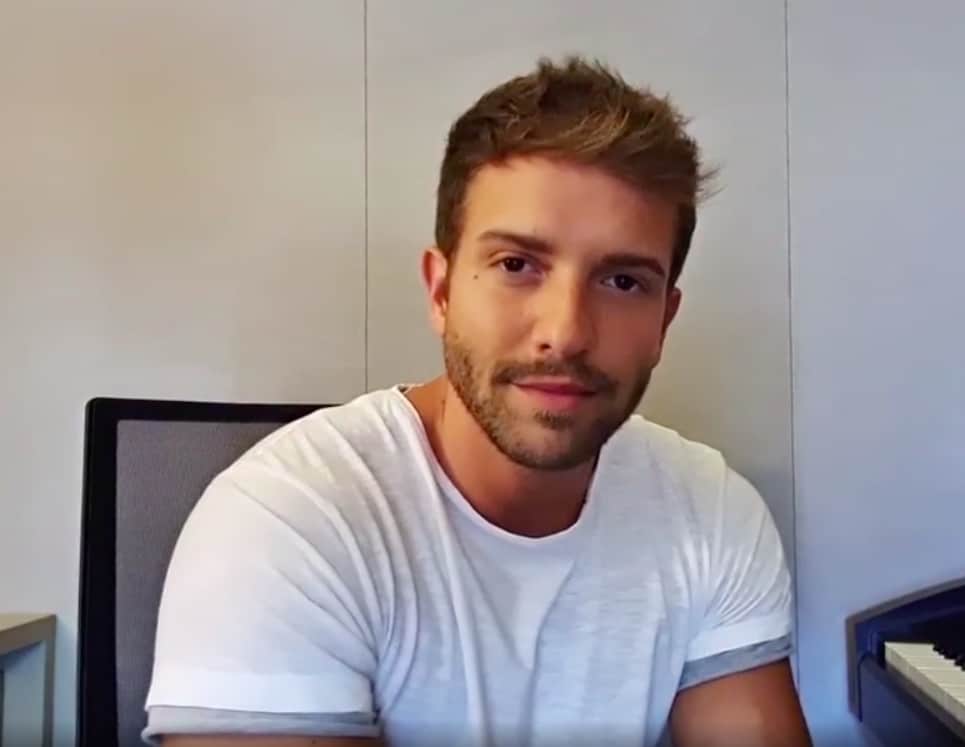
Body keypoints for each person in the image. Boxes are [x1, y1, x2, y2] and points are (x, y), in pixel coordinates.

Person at [143, 56, 812, 747]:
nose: (565, 332)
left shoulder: (712, 512)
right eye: (516, 265)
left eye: (620, 280)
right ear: (440, 291)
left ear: (663, 321)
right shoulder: (287, 521)